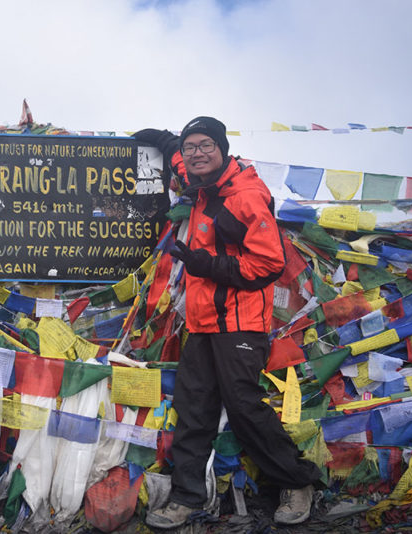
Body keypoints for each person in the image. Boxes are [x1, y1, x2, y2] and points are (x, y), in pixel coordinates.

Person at [133, 117, 321, 529]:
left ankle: (297, 481)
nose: (196, 153)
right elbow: (180, 157)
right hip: (201, 322)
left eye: (205, 146)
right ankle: (186, 497)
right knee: (193, 408)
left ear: (222, 149)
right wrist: (159, 138)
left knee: (243, 407)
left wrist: (207, 264)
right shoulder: (201, 178)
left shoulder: (245, 195)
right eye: (190, 147)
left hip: (239, 322)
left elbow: (270, 262)